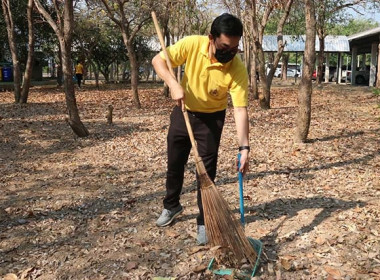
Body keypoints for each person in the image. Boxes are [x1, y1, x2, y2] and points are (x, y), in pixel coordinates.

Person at [152, 13, 250, 245]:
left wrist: (244, 147)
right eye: (225, 46)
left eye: (235, 47)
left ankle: (204, 221)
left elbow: (239, 110)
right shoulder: (192, 44)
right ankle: (171, 206)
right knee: (175, 163)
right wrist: (174, 84)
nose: (230, 52)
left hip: (211, 120)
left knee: (206, 173)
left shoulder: (236, 68)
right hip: (184, 111)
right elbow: (158, 61)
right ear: (211, 38)